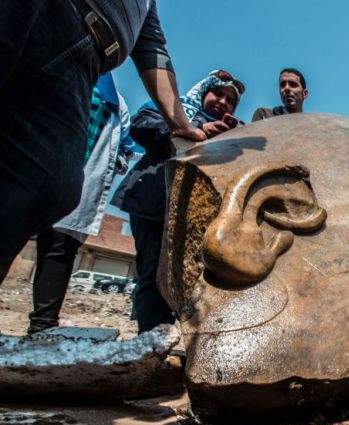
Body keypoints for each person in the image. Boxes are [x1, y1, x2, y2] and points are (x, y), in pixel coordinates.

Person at [0, 0, 205, 285]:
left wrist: (180, 123)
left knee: (49, 186)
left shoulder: (146, 5)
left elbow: (152, 48)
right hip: (45, 11)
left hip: (86, 58)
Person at [112, 70, 244, 333]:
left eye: (230, 100)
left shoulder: (231, 132)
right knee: (152, 272)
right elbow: (141, 126)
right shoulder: (175, 110)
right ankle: (151, 339)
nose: (222, 102)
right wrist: (192, 130)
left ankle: (177, 338)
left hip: (194, 214)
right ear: (205, 91)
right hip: (154, 204)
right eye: (218, 93)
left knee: (188, 278)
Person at [28, 74, 135, 334]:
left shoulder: (115, 102)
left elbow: (125, 146)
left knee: (59, 250)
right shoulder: (55, 70)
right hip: (35, 164)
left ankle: (43, 326)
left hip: (81, 177)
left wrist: (118, 160)